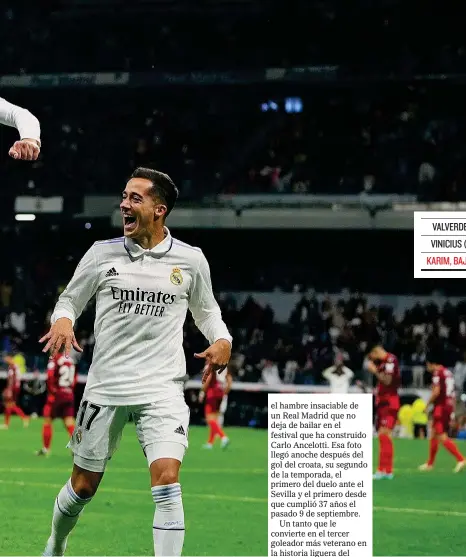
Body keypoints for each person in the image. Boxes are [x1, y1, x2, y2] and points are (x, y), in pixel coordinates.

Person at [39, 167, 232, 557]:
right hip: (107, 387)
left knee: (167, 480)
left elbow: (208, 312)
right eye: (124, 196)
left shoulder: (190, 261)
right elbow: (70, 300)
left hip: (162, 388)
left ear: (159, 210)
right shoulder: (101, 253)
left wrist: (223, 339)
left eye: (134, 198)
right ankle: (56, 544)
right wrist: (62, 318)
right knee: (82, 488)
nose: (124, 204)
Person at [419, 355, 465, 473]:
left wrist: (427, 405)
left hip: (441, 406)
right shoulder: (448, 373)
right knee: (434, 433)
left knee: (440, 434)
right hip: (448, 405)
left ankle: (460, 459)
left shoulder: (437, 373)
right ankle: (430, 463)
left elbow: (436, 391)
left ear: (430, 363)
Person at [366, 344, 400, 480]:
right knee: (383, 436)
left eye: (372, 356)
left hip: (389, 403)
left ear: (376, 351)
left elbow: (388, 380)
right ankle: (386, 471)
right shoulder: (385, 363)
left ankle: (383, 470)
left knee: (384, 435)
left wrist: (374, 371)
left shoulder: (390, 360)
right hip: (383, 403)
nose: (372, 359)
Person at [36, 352, 77, 457]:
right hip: (69, 393)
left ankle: (46, 449)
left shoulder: (55, 359)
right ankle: (78, 449)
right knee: (69, 422)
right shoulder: (70, 360)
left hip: (57, 394)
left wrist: (52, 393)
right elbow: (75, 378)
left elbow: (50, 377)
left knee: (47, 420)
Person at [199, 365, 232, 448]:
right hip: (220, 392)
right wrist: (226, 391)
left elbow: (208, 378)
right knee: (214, 418)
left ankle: (223, 437)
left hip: (212, 393)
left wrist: (202, 392)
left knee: (209, 418)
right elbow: (229, 379)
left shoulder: (210, 365)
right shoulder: (224, 366)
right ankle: (210, 443)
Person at [0, 355, 29, 429]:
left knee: (9, 405)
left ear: (10, 359)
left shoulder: (13, 367)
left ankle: (8, 423)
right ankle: (22, 418)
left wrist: (9, 389)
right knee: (10, 405)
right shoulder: (13, 367)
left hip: (13, 388)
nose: (6, 361)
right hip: (14, 387)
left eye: (7, 360)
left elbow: (13, 380)